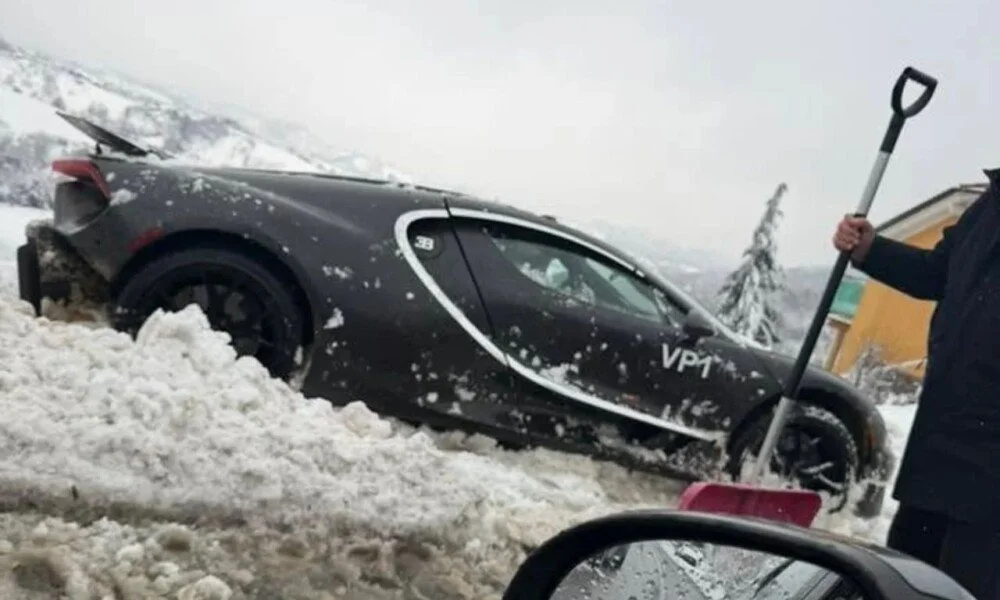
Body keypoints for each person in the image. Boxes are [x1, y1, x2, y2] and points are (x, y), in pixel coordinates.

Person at [832, 169, 1000, 600]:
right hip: (941, 438)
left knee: (966, 588)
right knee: (906, 577)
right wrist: (869, 249)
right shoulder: (988, 207)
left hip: (991, 471)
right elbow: (936, 272)